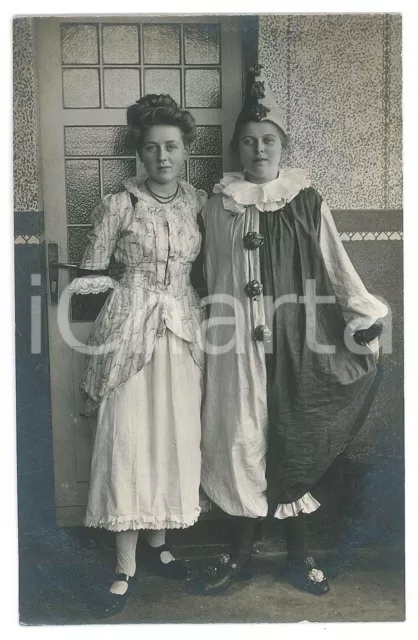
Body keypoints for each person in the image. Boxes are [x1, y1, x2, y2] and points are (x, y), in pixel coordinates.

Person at [191, 65, 388, 596]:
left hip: (295, 344)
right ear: (237, 149)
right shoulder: (216, 204)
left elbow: (334, 262)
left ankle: (300, 555)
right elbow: (203, 275)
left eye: (269, 140)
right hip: (232, 347)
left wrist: (361, 316)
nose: (259, 150)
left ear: (283, 145)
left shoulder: (306, 201)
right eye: (250, 141)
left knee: (291, 440)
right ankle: (239, 554)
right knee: (238, 440)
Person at [70, 94, 207, 617]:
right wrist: (131, 289)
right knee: (127, 436)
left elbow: (205, 266)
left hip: (184, 329)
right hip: (129, 329)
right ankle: (124, 562)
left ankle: (159, 542)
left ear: (185, 150)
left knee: (173, 433)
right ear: (140, 153)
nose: (163, 157)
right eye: (152, 148)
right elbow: (90, 273)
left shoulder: (197, 201)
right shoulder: (118, 204)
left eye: (171, 147)